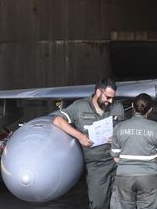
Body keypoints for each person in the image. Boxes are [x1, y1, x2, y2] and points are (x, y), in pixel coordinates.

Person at [53, 78, 125, 209]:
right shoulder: (79, 106)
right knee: (98, 204)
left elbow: (124, 130)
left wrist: (118, 137)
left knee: (122, 204)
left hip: (119, 162)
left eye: (112, 98)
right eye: (108, 97)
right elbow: (58, 120)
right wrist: (79, 136)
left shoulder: (118, 107)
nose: (111, 101)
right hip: (97, 165)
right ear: (98, 92)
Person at [110, 93, 157, 209]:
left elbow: (116, 159)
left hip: (124, 177)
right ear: (150, 110)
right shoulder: (156, 128)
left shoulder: (119, 127)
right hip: (149, 178)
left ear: (132, 106)